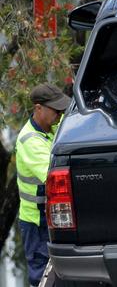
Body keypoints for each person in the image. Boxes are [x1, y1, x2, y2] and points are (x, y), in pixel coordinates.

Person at [15, 83, 70, 286]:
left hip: (50, 219)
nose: (59, 115)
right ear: (38, 108)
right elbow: (54, 174)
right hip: (36, 223)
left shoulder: (50, 129)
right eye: (55, 110)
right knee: (42, 278)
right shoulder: (30, 140)